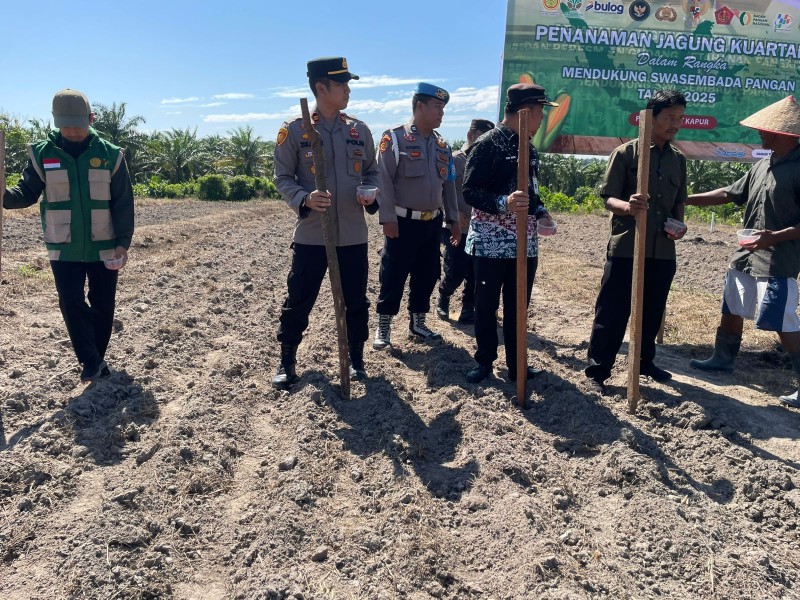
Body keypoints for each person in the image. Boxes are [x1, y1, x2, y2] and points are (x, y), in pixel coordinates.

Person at [2, 89, 135, 383]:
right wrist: (3, 196)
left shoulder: (111, 155)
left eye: (78, 124)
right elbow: (25, 193)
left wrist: (123, 245)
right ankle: (90, 361)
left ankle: (95, 359)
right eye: (66, 125)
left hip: (104, 244)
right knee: (70, 301)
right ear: (55, 122)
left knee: (103, 305)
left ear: (91, 119)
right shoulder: (42, 154)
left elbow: (124, 203)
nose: (73, 131)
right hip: (63, 245)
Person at [272, 57, 379, 390]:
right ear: (321, 88)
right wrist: (304, 199)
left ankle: (356, 359)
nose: (348, 89)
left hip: (352, 234)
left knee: (356, 300)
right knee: (299, 298)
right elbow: (282, 177)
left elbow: (372, 172)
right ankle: (287, 359)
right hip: (311, 235)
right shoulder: (295, 130)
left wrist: (370, 193)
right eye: (342, 83)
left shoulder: (358, 130)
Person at [686, 95, 800, 408]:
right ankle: (722, 359)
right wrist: (685, 199)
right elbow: (728, 193)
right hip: (746, 254)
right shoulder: (763, 164)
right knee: (732, 305)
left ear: (785, 134)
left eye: (767, 130)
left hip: (778, 259)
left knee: (781, 319)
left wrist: (774, 237)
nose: (761, 134)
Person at [584, 90, 689, 394]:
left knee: (653, 310)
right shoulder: (626, 154)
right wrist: (627, 207)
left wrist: (679, 225)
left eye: (679, 118)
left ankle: (644, 362)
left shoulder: (678, 160)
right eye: (670, 118)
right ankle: (598, 368)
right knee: (612, 310)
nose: (676, 124)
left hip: (662, 250)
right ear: (650, 118)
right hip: (628, 246)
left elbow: (678, 202)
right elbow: (607, 198)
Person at [461, 84, 557, 383]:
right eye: (541, 112)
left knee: (519, 307)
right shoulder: (488, 144)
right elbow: (470, 191)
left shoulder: (529, 147)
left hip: (525, 245)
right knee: (487, 306)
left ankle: (518, 364)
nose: (543, 119)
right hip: (491, 244)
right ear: (525, 111)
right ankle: (485, 362)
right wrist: (504, 203)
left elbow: (533, 194)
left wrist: (541, 211)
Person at [373, 83, 461, 349]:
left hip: (432, 222)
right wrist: (387, 217)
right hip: (401, 222)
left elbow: (449, 186)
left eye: (444, 109)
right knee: (393, 274)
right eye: (438, 107)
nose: (442, 114)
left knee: (428, 272)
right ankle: (384, 325)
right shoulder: (395, 139)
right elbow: (383, 180)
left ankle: (418, 323)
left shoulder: (441, 145)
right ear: (420, 107)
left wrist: (454, 220)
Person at [436, 118, 495, 325]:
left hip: (479, 228)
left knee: (476, 273)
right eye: (483, 137)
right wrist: (451, 213)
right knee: (456, 270)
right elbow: (441, 189)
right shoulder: (455, 160)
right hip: (456, 226)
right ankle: (444, 294)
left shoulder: (487, 164)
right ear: (471, 135)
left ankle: (468, 308)